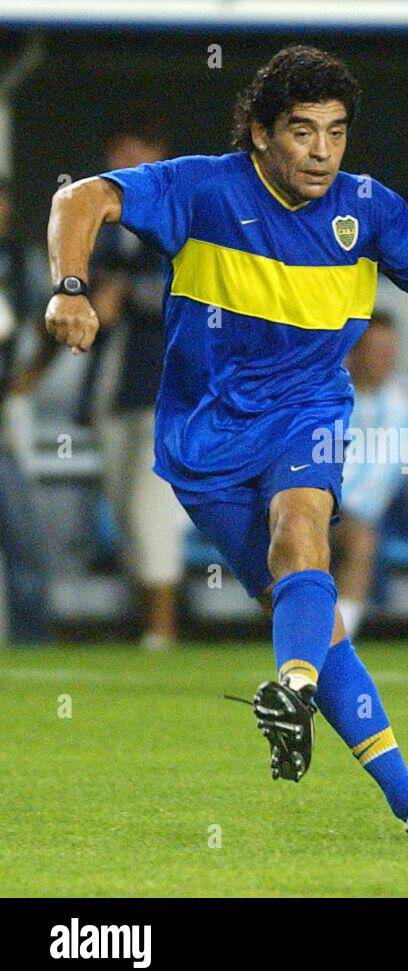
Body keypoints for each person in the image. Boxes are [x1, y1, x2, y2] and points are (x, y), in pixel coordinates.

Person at [44, 46, 408, 840]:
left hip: (307, 409)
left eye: (335, 132)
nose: (322, 151)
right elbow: (80, 200)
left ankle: (290, 687)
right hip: (202, 438)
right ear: (260, 134)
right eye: (301, 132)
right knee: (316, 624)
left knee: (304, 532)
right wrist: (71, 288)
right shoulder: (200, 188)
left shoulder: (369, 208)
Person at [79, 131, 189, 649]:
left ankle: (161, 631)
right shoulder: (100, 228)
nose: (123, 164)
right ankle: (145, 621)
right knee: (124, 508)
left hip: (165, 388)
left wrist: (126, 294)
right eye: (117, 154)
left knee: (152, 508)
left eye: (135, 154)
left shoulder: (180, 218)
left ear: (159, 157)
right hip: (111, 386)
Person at [334, 309, 408, 639]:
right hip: (324, 505)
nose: (387, 358)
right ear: (353, 352)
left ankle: (337, 642)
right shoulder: (328, 394)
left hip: (382, 515)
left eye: (391, 349)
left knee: (362, 539)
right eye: (376, 349)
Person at [0, 182, 54, 643]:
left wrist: (31, 375)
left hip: (4, 425)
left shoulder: (22, 262)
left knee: (23, 541)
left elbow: (53, 322)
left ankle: (33, 640)